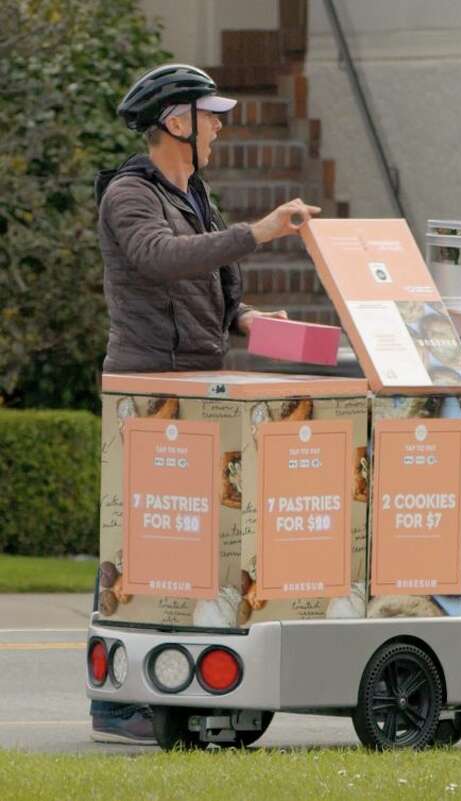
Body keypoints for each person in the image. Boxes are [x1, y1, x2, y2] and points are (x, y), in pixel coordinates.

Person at [90, 63, 320, 744]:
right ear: (176, 122)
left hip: (199, 386)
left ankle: (170, 689)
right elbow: (160, 260)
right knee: (132, 542)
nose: (221, 124)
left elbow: (210, 286)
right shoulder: (130, 195)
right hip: (149, 388)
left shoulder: (195, 193)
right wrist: (262, 231)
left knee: (187, 545)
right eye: (210, 114)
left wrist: (250, 320)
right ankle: (113, 701)